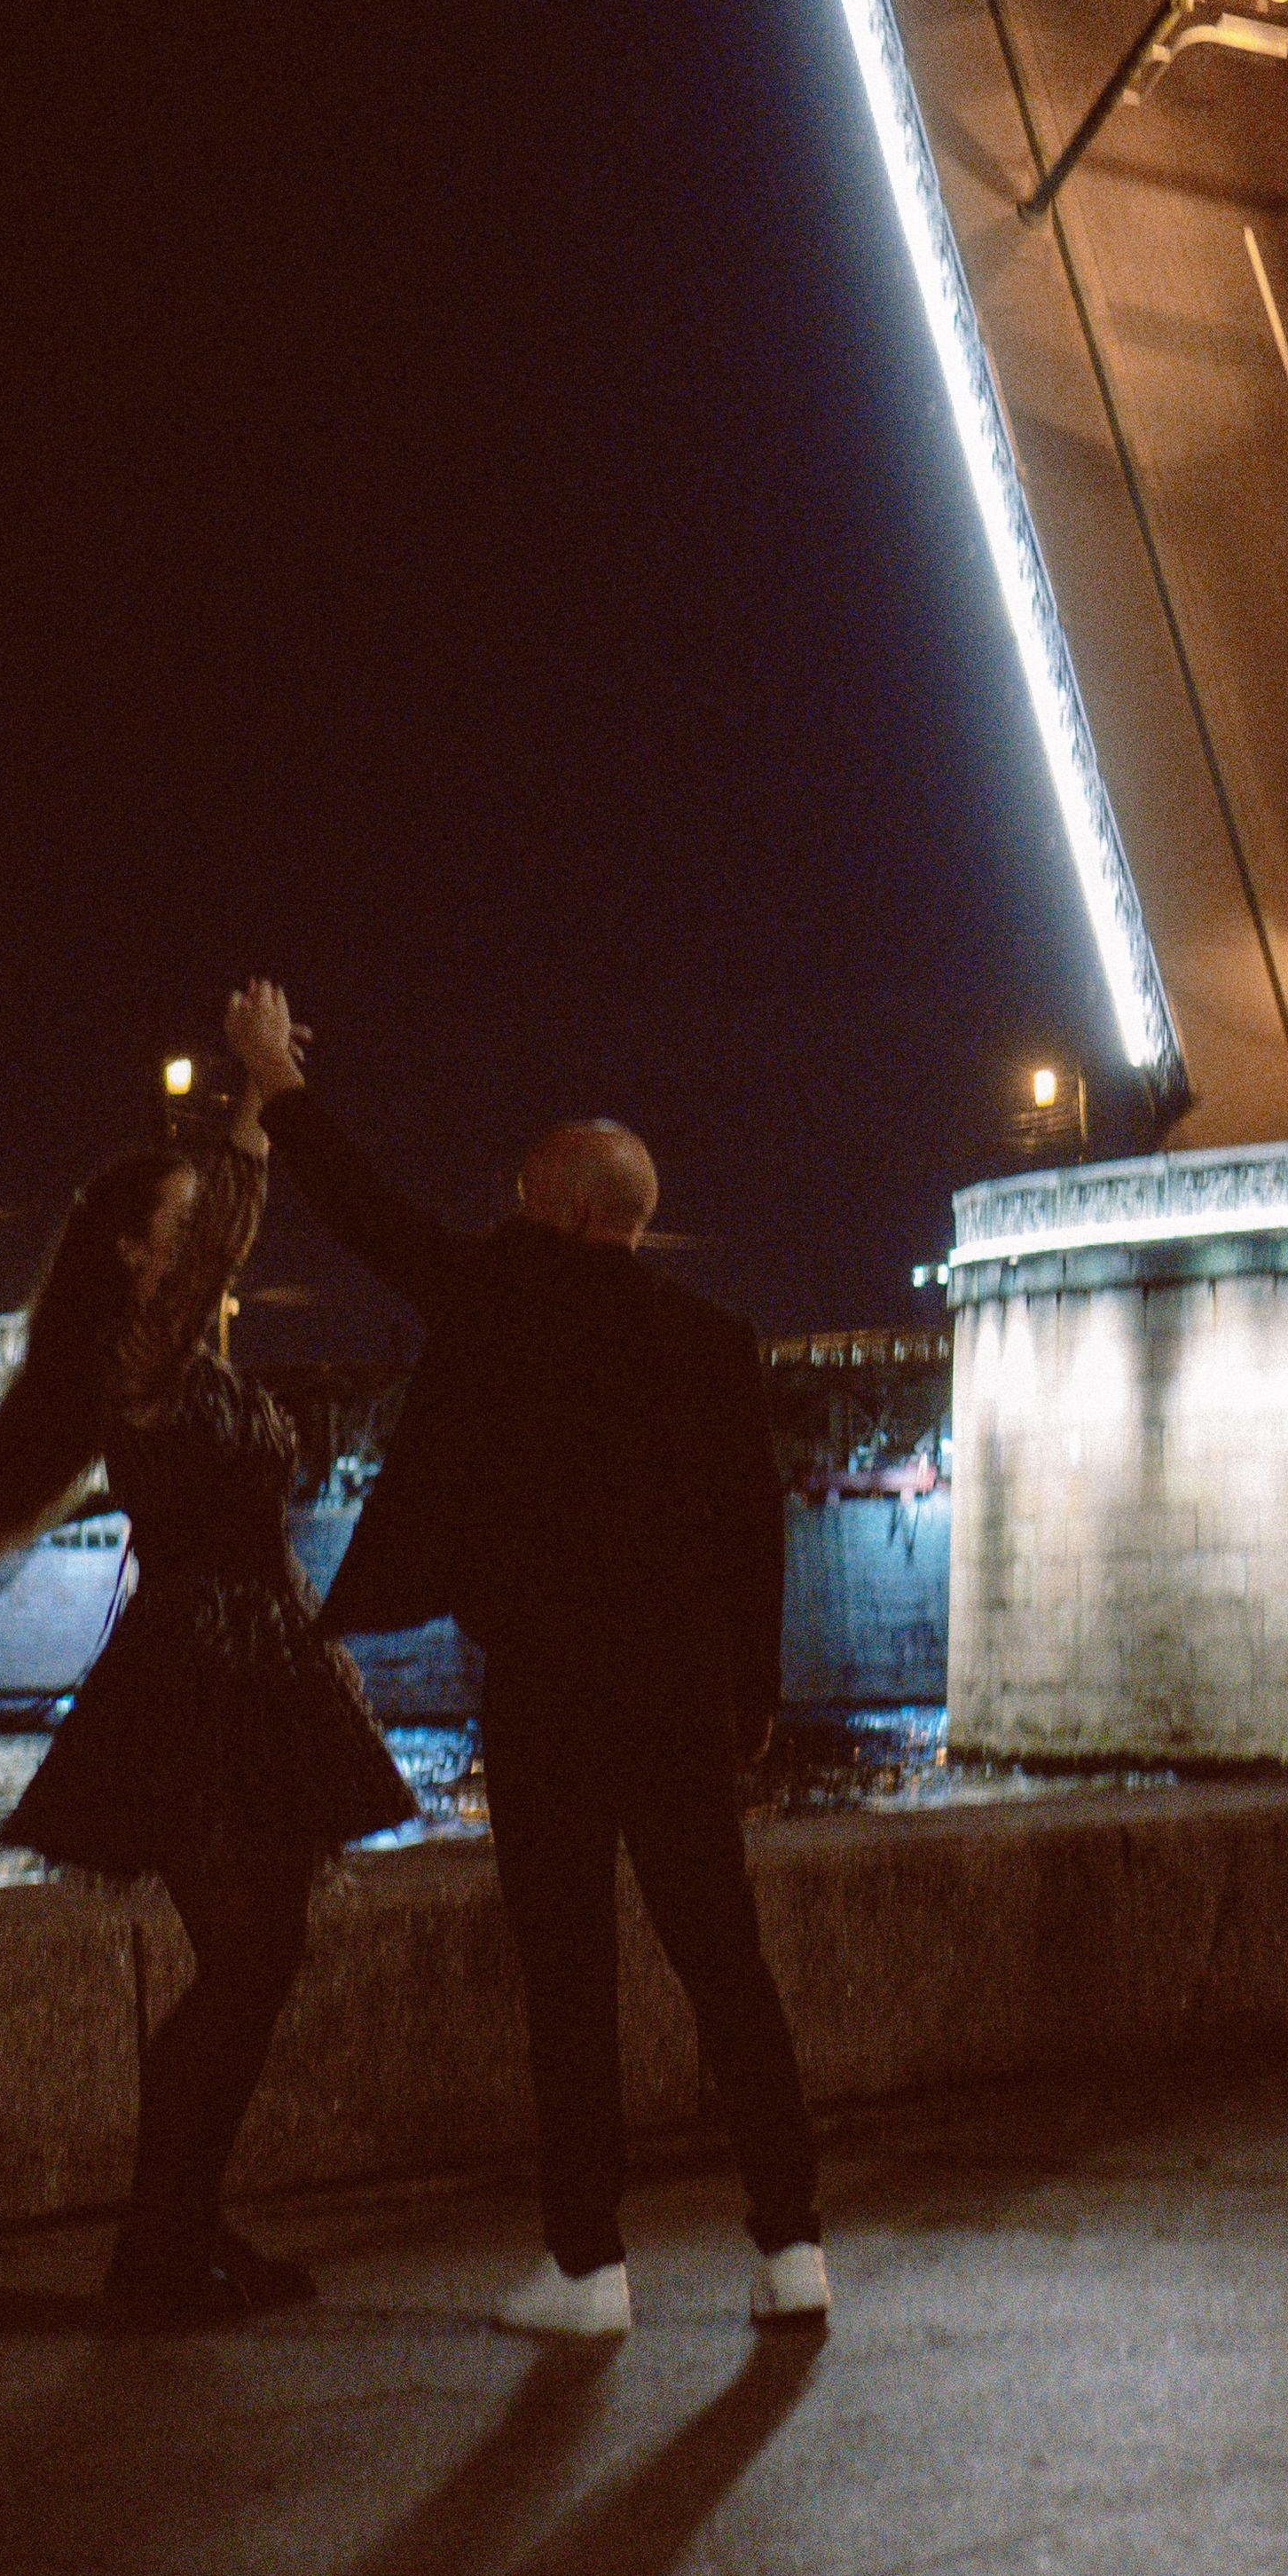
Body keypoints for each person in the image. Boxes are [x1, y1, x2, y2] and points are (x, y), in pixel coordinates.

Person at [223, 978, 827, 2338]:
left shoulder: (502, 1294)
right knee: (726, 1964)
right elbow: (756, 1535)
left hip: (552, 1693)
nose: (503, 1210)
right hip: (682, 1696)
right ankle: (794, 2251)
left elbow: (371, 1218)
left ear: (559, 1209)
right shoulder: (714, 1343)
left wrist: (274, 1080)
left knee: (570, 1975)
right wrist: (757, 1699)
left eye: (517, 1192)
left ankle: (589, 2268)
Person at [0, 1006, 414, 2326]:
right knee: (249, 1961)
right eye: (183, 1212)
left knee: (261, 1963)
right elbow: (228, 1235)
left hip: (256, 1668)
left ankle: (185, 2234)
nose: (206, 1225)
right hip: (199, 1688)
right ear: (135, 1247)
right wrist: (259, 1093)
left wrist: (327, 1662)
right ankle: (156, 2250)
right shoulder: (135, 1357)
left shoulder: (182, 1358)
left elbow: (257, 1526)